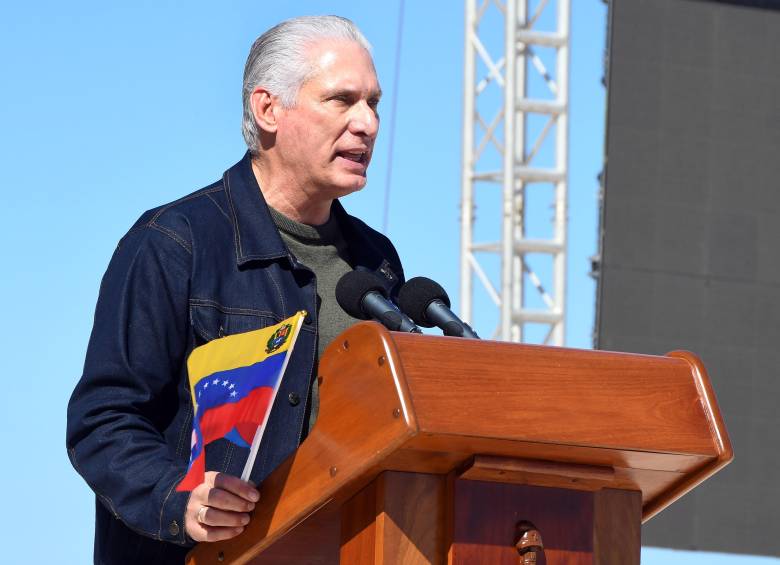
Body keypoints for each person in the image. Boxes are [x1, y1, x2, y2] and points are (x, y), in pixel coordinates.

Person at [66, 16, 404, 565]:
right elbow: (103, 422)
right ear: (268, 109)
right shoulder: (175, 244)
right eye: (342, 100)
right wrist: (182, 499)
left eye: (374, 103)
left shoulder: (376, 261)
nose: (366, 123)